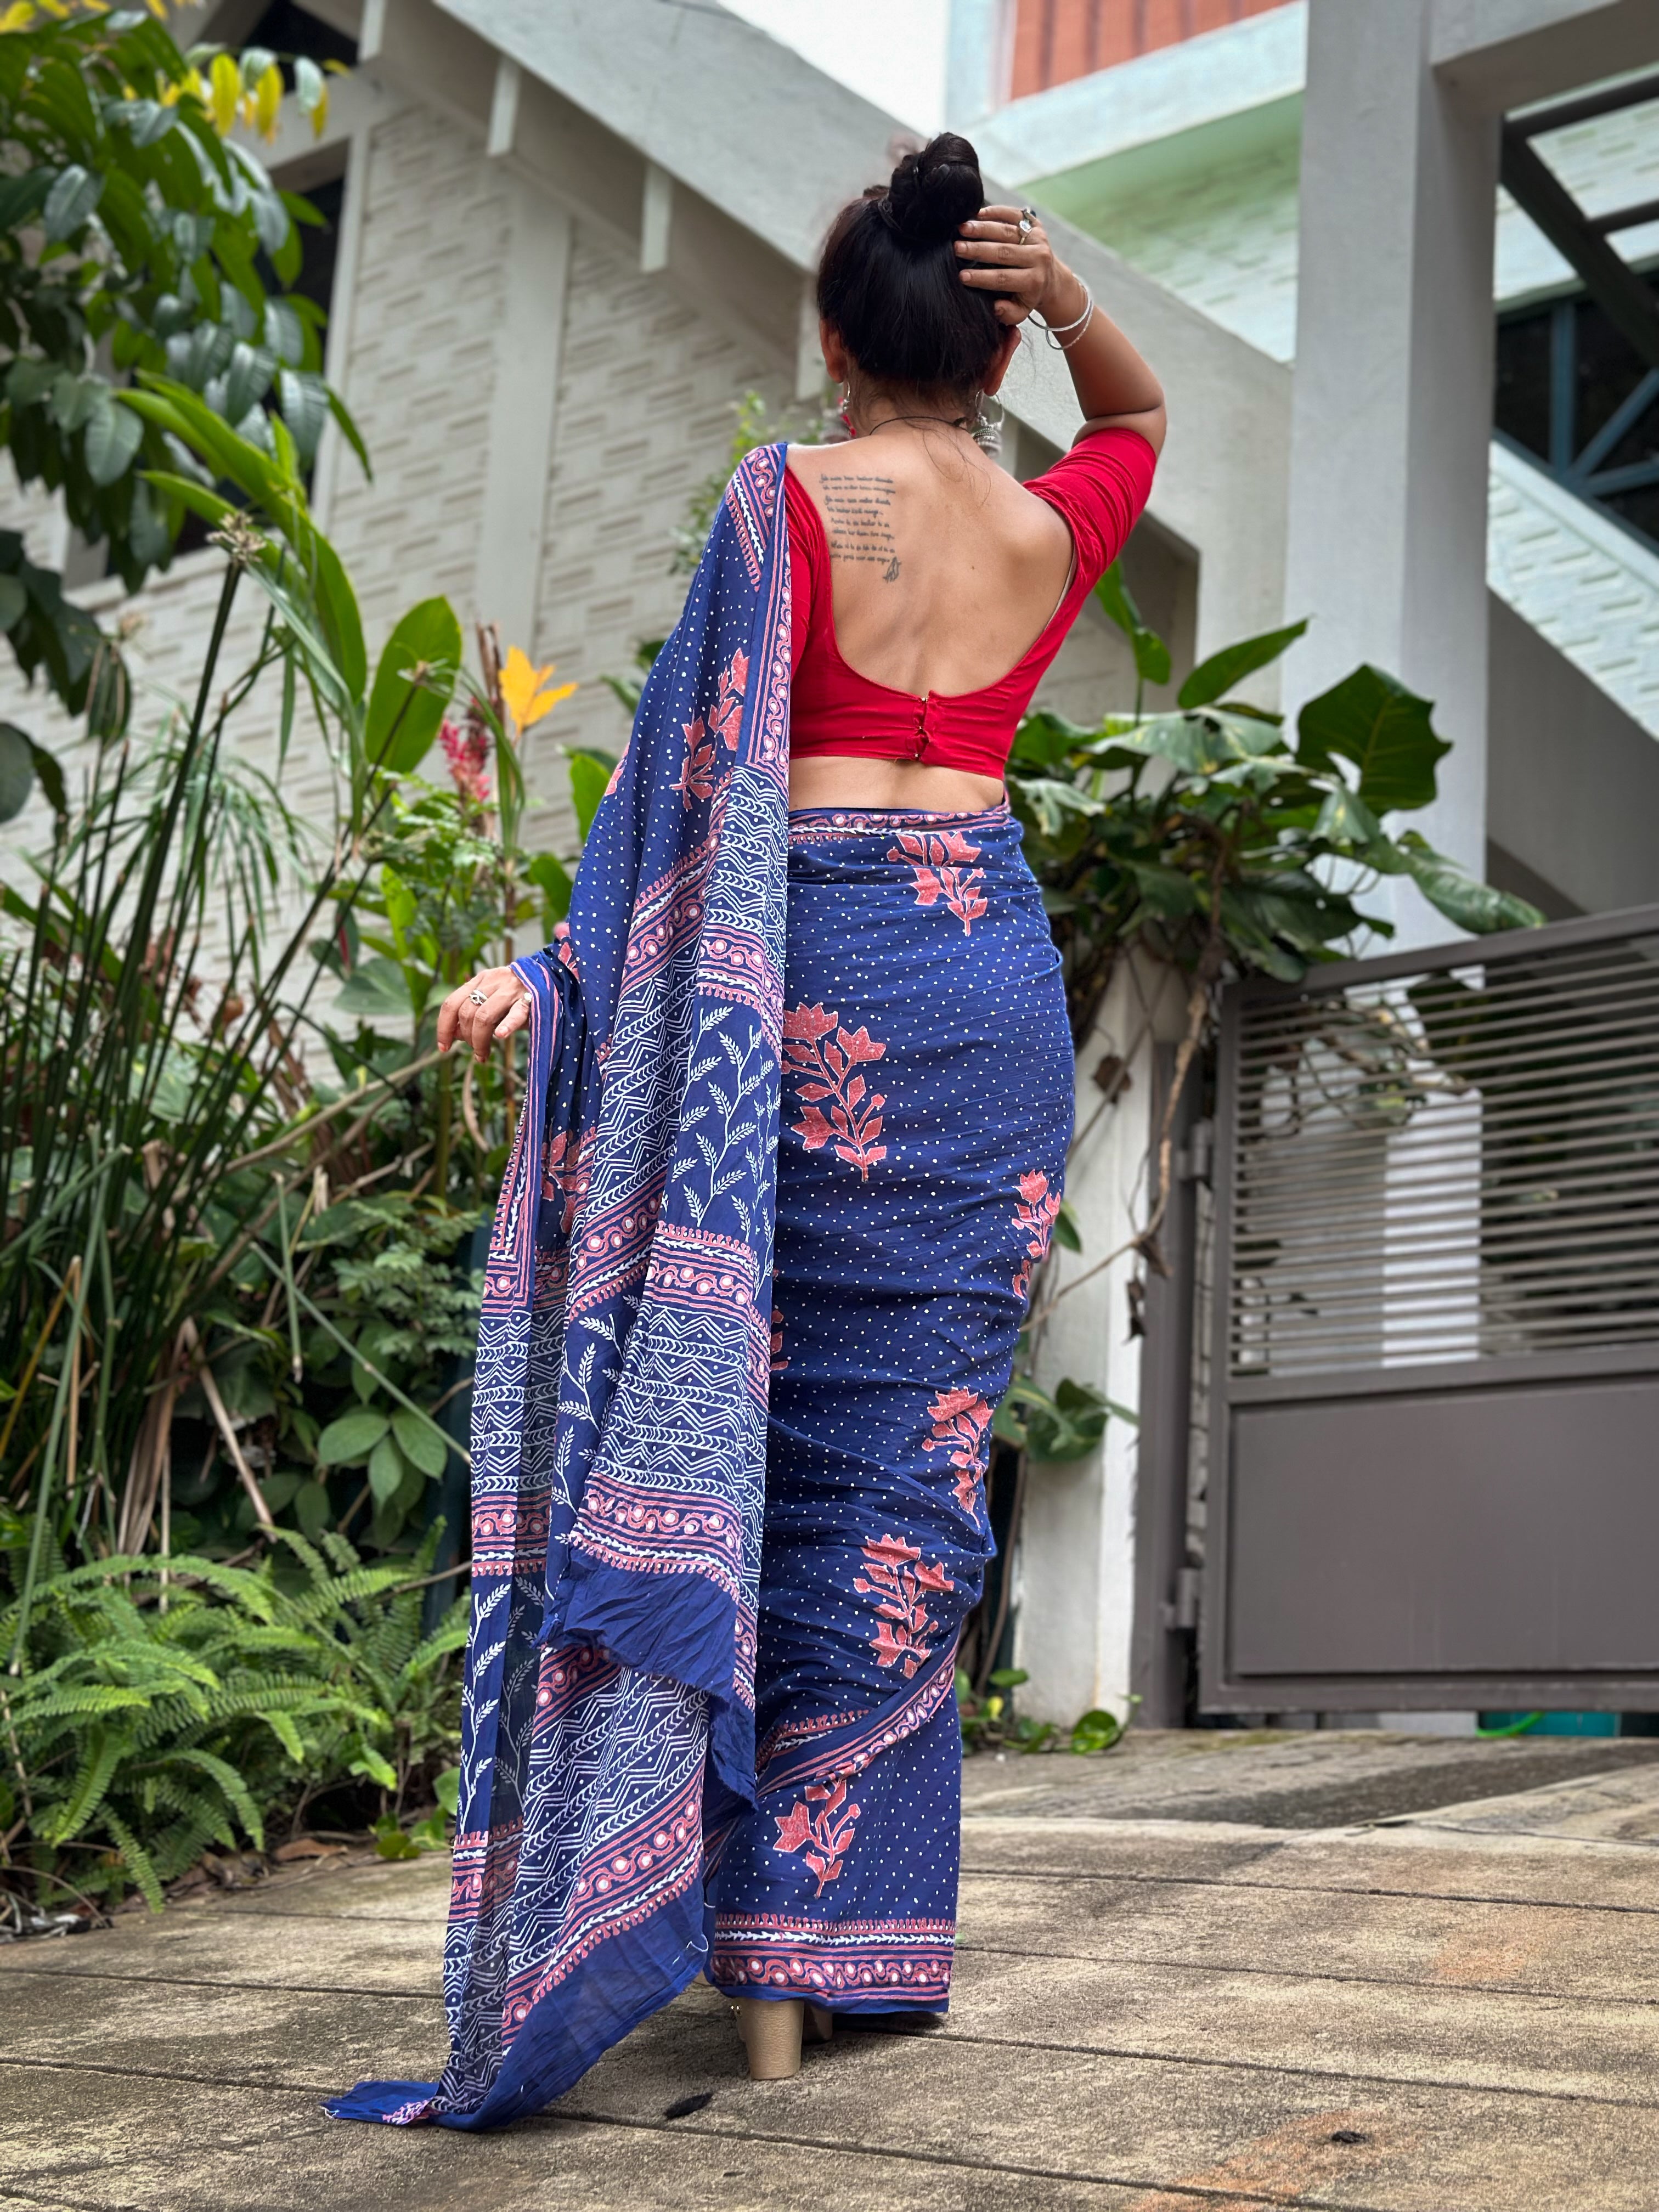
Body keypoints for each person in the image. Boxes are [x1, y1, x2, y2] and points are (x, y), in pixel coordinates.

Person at [330, 132, 1163, 2130]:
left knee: (756, 1456)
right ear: (987, 339)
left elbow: (681, 801)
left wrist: (551, 965)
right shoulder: (1055, 530)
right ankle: (833, 1956)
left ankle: (749, 1967)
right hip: (984, 1000)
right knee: (909, 1483)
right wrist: (1061, 297)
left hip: (802, 1003)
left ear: (828, 331)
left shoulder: (789, 499)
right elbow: (1135, 411)